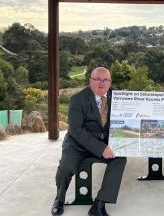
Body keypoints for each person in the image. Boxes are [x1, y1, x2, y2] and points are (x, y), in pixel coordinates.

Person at [51, 67, 127, 216]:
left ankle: (99, 204)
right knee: (66, 167)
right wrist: (101, 148)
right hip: (77, 144)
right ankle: (59, 199)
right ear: (90, 80)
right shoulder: (77, 99)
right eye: (97, 79)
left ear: (110, 82)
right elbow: (76, 131)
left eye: (105, 80)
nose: (101, 83)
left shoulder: (119, 97)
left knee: (120, 158)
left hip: (105, 142)